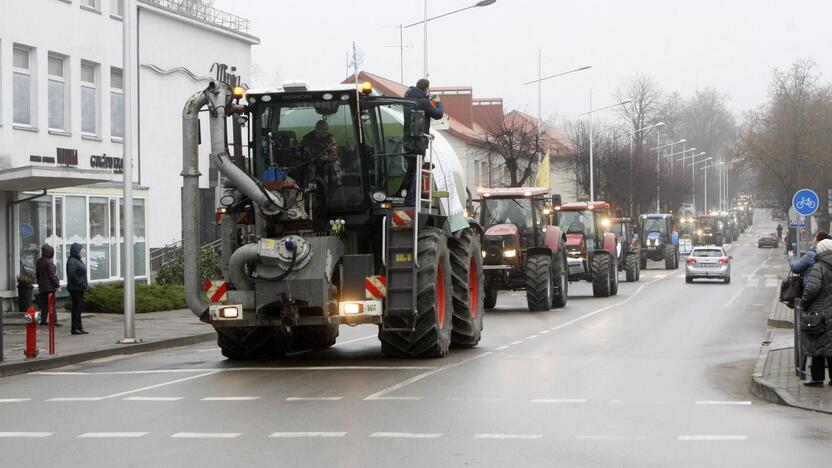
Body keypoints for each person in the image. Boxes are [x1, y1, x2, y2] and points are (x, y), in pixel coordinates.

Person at [799, 238, 832, 386]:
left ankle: (817, 378)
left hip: (820, 312)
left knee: (818, 346)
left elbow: (812, 288)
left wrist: (804, 304)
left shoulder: (819, 266)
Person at [302, 120, 342, 186]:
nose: (325, 131)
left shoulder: (331, 140)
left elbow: (334, 155)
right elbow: (305, 153)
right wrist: (315, 158)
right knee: (311, 168)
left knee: (332, 166)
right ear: (316, 128)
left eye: (327, 129)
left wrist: (326, 158)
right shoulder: (307, 139)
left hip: (327, 162)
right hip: (312, 163)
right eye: (323, 129)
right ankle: (311, 190)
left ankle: (335, 189)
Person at [35, 244, 61, 326]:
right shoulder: (49, 263)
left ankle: (43, 320)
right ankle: (54, 321)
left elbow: (37, 274)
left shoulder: (39, 261)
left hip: (42, 287)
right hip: (49, 287)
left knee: (44, 305)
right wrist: (57, 286)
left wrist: (39, 283)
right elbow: (52, 276)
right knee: (52, 305)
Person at [66, 243, 89, 335]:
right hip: (75, 288)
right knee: (76, 309)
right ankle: (74, 328)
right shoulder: (72, 261)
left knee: (78, 308)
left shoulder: (77, 260)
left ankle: (79, 327)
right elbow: (72, 274)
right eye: (80, 250)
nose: (81, 252)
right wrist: (80, 283)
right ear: (76, 251)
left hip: (79, 288)